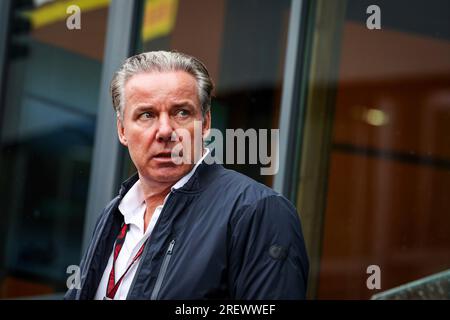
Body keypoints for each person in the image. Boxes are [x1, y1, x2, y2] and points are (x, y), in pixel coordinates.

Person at [64, 51, 309, 300]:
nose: (165, 131)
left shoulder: (257, 211)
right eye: (146, 115)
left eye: (181, 113)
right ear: (122, 130)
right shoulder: (114, 214)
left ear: (205, 124)